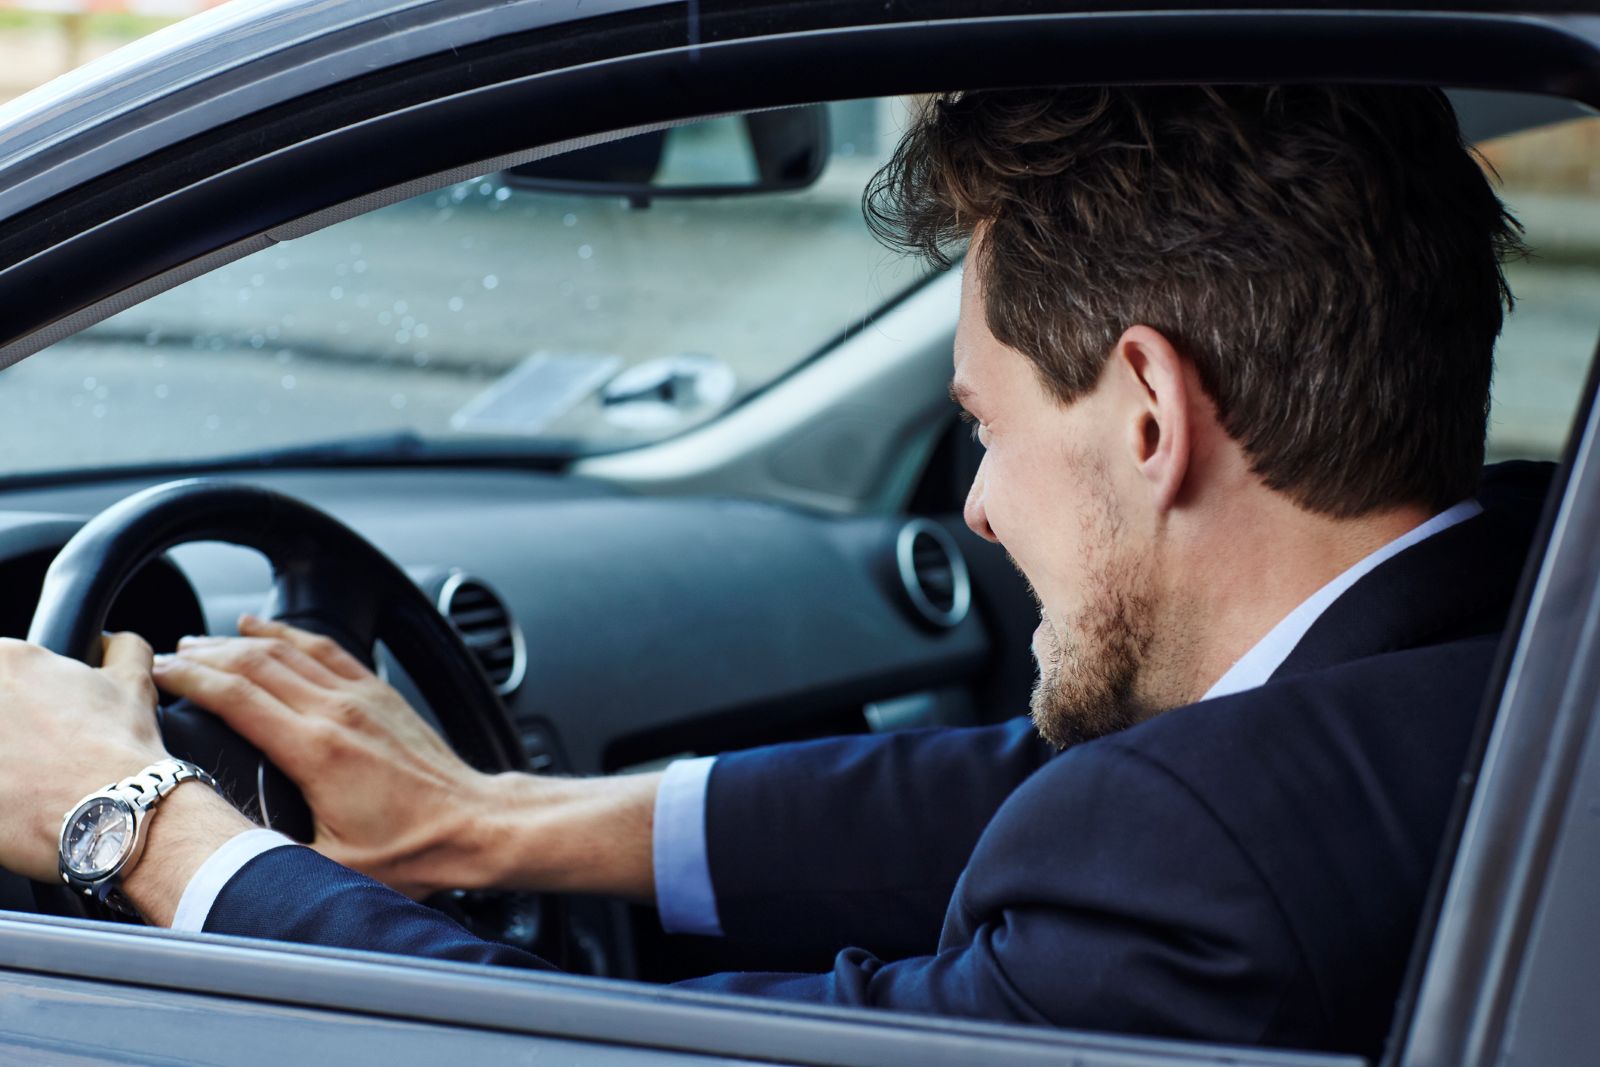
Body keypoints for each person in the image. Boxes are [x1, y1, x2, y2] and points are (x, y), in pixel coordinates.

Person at [0, 85, 1544, 1057]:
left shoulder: (1215, 874)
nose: (983, 514)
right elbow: (1034, 796)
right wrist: (498, 820)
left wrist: (135, 823)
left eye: (983, 431)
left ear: (1149, 414)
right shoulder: (1513, 626)